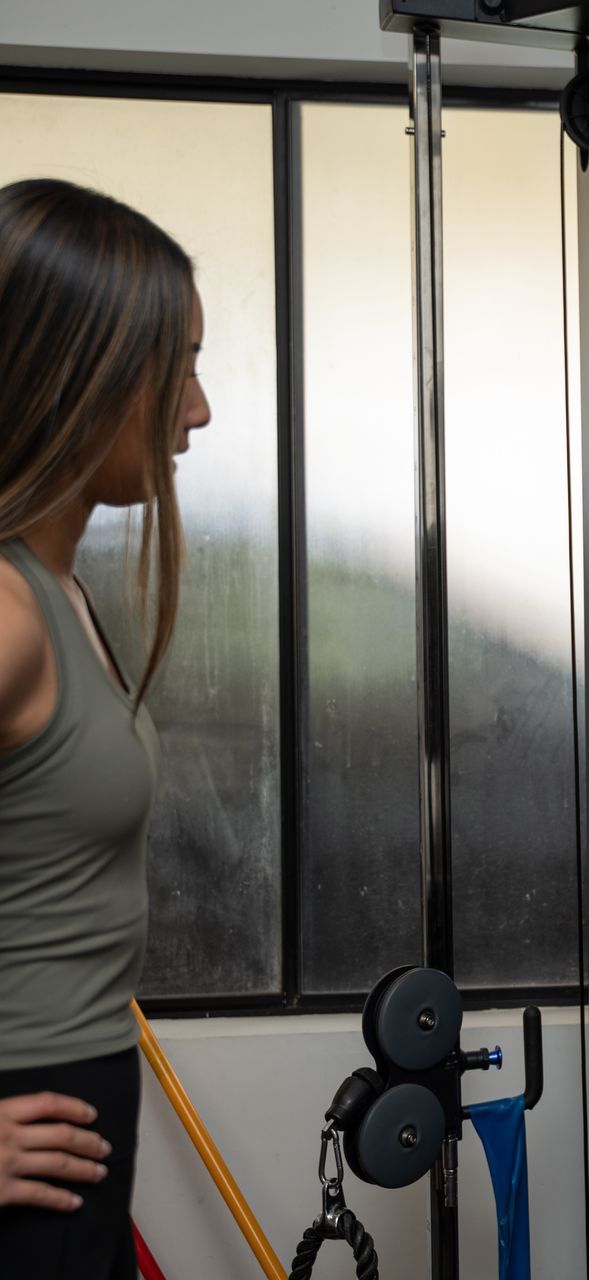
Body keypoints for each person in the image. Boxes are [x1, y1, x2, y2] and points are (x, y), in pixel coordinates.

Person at [0, 177, 211, 1276]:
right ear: (83, 373)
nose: (199, 410)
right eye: (178, 369)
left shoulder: (58, 594)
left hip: (77, 1117)